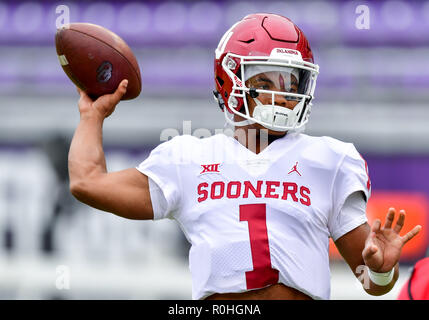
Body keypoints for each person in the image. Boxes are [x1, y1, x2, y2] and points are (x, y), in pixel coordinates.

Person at [68, 13, 422, 300]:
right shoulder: (189, 157)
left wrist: (381, 268)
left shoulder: (329, 159)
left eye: (292, 83)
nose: (283, 95)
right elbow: (88, 182)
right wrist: (92, 117)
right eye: (267, 81)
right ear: (230, 79)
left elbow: (373, 284)